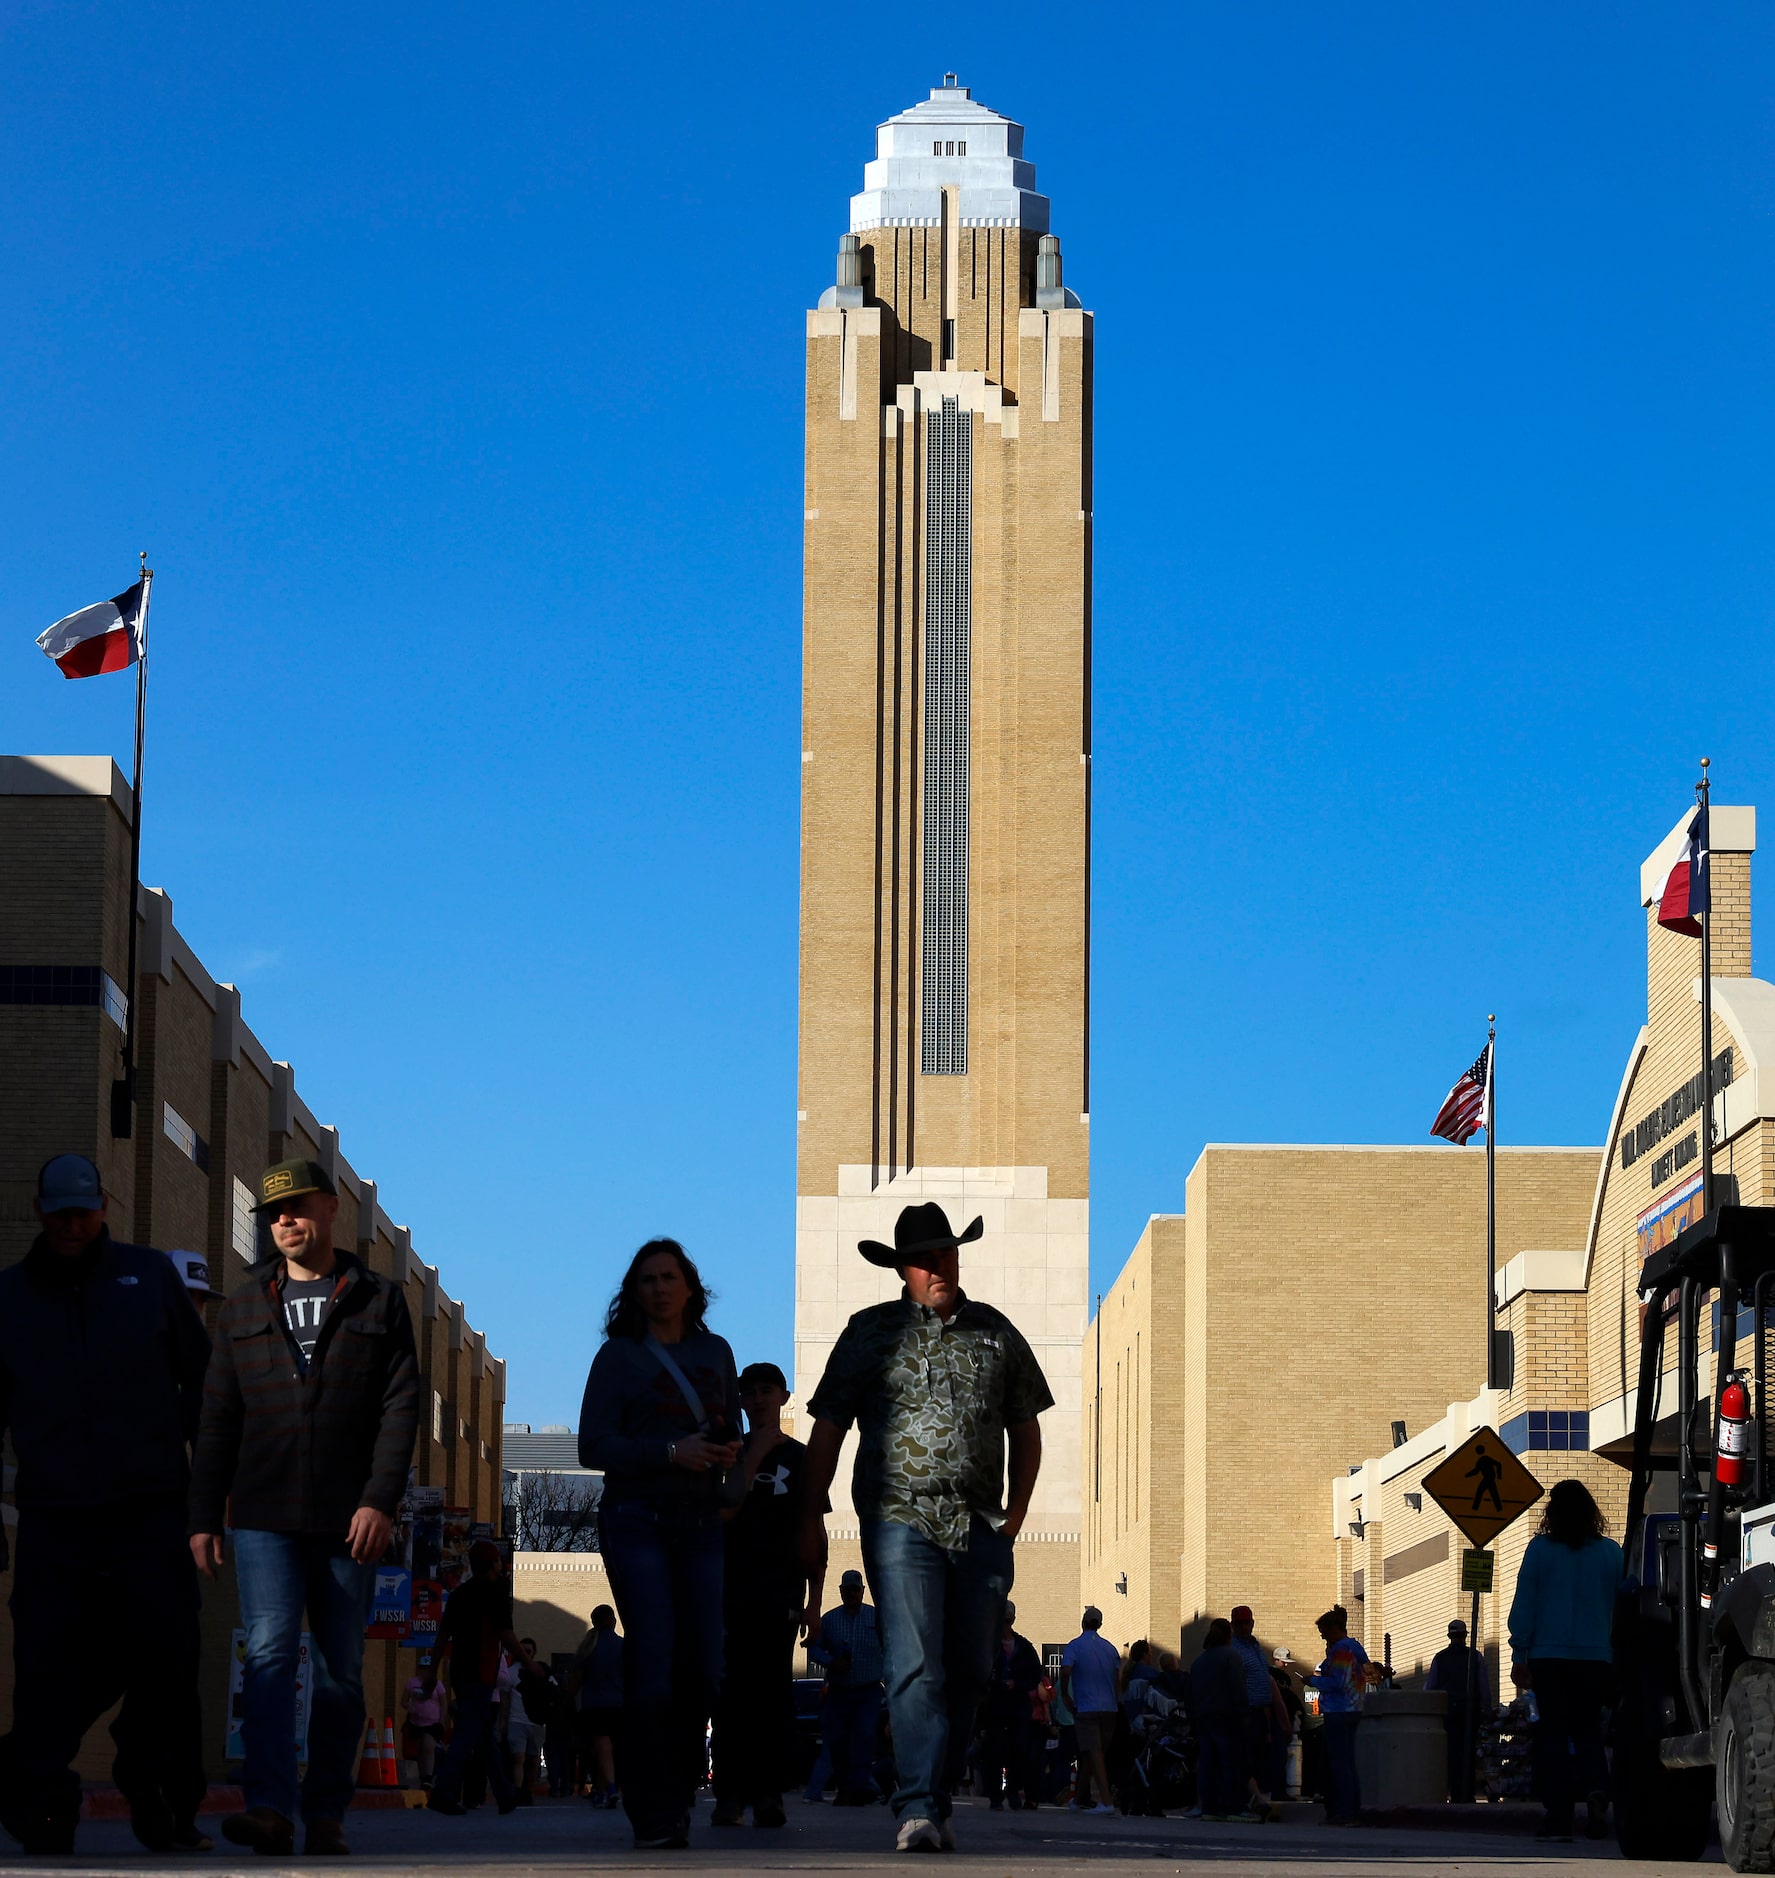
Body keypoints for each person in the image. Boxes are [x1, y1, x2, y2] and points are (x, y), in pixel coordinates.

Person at [798, 1201, 1053, 1854]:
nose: (937, 1265)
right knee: (913, 1663)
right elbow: (827, 1425)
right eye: (922, 1258)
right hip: (898, 1521)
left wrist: (1016, 1514)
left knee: (968, 1668)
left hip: (979, 1527)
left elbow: (1025, 1427)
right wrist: (809, 1510)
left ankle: (935, 1795)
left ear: (958, 1258)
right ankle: (914, 1805)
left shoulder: (996, 1334)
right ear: (900, 1270)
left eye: (945, 1253)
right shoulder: (869, 1333)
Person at [189, 1156, 420, 1858]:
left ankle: (325, 1812)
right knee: (265, 1654)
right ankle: (268, 1808)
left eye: (296, 1208)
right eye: (272, 1214)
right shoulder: (241, 1306)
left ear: (329, 1211)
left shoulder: (378, 1300)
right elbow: (217, 1417)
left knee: (340, 1669)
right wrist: (202, 1515)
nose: (283, 1221)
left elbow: (400, 1407)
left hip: (349, 1517)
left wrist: (380, 1500)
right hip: (262, 1515)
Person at [0, 1154, 212, 1856]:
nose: (71, 1222)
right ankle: (39, 1801)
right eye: (59, 1210)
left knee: (167, 1657)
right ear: (39, 1210)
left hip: (150, 1508)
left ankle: (162, 1800)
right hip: (54, 1515)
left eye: (82, 1210)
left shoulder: (148, 1277)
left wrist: (210, 1492)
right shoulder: (9, 1298)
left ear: (104, 1205)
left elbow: (204, 1388)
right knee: (46, 1664)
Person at [578, 1238, 741, 1850]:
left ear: (691, 1287)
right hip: (636, 1518)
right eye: (647, 1279)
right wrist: (670, 1451)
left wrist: (725, 1448)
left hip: (701, 1523)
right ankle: (654, 1812)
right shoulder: (617, 1359)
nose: (659, 1288)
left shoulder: (715, 1351)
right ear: (634, 1291)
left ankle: (677, 1796)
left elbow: (730, 1426)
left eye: (669, 1277)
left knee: (703, 1664)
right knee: (652, 1659)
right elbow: (592, 1446)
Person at [711, 1360, 826, 1828]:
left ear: (783, 1396)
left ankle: (768, 1796)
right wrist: (754, 1453)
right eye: (750, 1392)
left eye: (766, 1391)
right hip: (727, 1592)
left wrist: (815, 1602)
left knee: (772, 1697)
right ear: (740, 1400)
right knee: (730, 1698)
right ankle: (729, 1796)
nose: (758, 1399)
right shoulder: (725, 1455)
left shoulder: (801, 1460)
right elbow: (722, 1512)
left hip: (779, 1594)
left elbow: (813, 1530)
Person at [1507, 1479, 1623, 1844]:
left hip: (1548, 1656)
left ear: (1552, 1513)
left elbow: (1525, 1603)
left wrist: (1519, 1652)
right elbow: (1622, 1608)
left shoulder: (1540, 1550)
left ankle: (1558, 1818)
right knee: (1589, 1730)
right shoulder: (1611, 1553)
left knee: (1553, 1734)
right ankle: (1596, 1792)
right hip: (1596, 1657)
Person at [429, 1542, 531, 1814]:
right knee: (465, 1735)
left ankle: (505, 1794)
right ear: (493, 1563)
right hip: (481, 1672)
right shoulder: (494, 1594)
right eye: (498, 1561)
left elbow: (442, 1637)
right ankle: (443, 1792)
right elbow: (507, 1636)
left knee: (485, 1736)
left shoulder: (460, 1594)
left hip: (461, 1672)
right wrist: (530, 1664)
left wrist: (431, 1672)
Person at [806, 1570, 886, 1804]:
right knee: (835, 1740)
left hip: (868, 1690)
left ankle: (860, 1788)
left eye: (855, 1589)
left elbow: (890, 1646)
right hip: (839, 1691)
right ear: (840, 1591)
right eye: (847, 1589)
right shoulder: (829, 1620)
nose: (851, 1593)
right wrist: (831, 1662)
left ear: (862, 1591)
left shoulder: (876, 1618)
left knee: (864, 1737)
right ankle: (834, 1788)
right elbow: (814, 1650)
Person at [1187, 1620, 1256, 1820]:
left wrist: (1193, 1718)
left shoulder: (1199, 1662)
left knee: (1208, 1762)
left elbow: (1189, 1693)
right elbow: (1238, 1688)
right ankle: (1234, 1807)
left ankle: (1210, 1807)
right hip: (1228, 1716)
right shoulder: (1230, 1656)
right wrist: (1244, 1713)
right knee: (1232, 1761)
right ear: (1228, 1636)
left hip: (1203, 1717)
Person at [1308, 1605, 1370, 1826]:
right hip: (1354, 1708)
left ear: (1334, 1628)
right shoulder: (1355, 1647)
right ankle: (1349, 1810)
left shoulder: (1342, 1649)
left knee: (1339, 1764)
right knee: (1347, 1763)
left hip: (1339, 1710)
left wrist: (1313, 1681)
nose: (1324, 1638)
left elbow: (1338, 1682)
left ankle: (1346, 1812)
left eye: (1324, 1633)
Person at [1059, 1606, 1120, 1815]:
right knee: (1093, 1754)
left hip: (1086, 1706)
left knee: (1094, 1752)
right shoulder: (1110, 1648)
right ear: (1100, 1624)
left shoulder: (1075, 1646)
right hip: (1109, 1707)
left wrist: (1065, 1694)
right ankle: (1078, 1799)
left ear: (1083, 1623)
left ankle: (1106, 1800)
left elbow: (1066, 1670)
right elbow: (1117, 1678)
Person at [982, 1601, 1043, 1809]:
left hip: (1018, 1705)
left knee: (1019, 1750)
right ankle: (995, 1796)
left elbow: (1035, 1674)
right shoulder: (988, 1646)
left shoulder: (1024, 1647)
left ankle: (1014, 1792)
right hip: (996, 1705)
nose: (1005, 1625)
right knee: (995, 1750)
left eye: (1007, 1621)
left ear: (1013, 1621)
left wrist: (1017, 1684)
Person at [1424, 1618, 1491, 1804]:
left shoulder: (1440, 1658)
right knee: (1468, 1752)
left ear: (1449, 1636)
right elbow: (1484, 1686)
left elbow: (1430, 1687)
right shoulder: (1475, 1657)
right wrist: (1487, 1708)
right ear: (1464, 1636)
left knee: (1451, 1754)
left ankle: (1454, 1793)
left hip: (1449, 1712)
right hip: (1470, 1711)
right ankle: (1467, 1794)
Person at [1229, 1606, 1286, 1807]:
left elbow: (1263, 1677)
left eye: (1246, 1623)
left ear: (1252, 1623)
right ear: (1232, 1625)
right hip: (1246, 1711)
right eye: (1239, 1623)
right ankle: (1245, 1800)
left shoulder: (1255, 1646)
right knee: (1247, 1757)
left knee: (1262, 1757)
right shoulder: (1233, 1648)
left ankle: (1259, 1799)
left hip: (1262, 1711)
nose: (1243, 1627)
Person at [570, 1606, 623, 1808]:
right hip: (619, 1705)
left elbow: (575, 1682)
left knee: (602, 1747)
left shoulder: (588, 1648)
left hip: (594, 1705)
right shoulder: (622, 1646)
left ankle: (607, 1788)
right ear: (613, 1620)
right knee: (608, 1749)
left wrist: (565, 1701)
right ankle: (605, 1789)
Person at [499, 1637, 549, 1803]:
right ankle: (518, 1791)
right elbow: (505, 1699)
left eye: (528, 1650)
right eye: (523, 1650)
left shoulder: (541, 1671)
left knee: (533, 1759)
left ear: (534, 1652)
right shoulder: (512, 1672)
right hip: (517, 1721)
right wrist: (503, 1721)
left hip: (536, 1723)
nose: (526, 1653)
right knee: (518, 1757)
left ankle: (528, 1791)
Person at [401, 1662, 446, 1789]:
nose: (426, 1672)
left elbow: (443, 1703)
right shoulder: (412, 1683)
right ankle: (423, 1777)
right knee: (420, 1748)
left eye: (429, 1669)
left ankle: (428, 1777)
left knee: (428, 1746)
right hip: (416, 1722)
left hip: (432, 1722)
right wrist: (409, 1707)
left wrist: (442, 1720)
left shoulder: (437, 1684)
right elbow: (404, 1701)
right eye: (424, 1669)